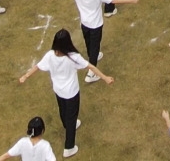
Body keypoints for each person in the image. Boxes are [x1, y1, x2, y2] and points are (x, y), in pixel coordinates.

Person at [18, 27, 111, 157]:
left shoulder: (50, 55)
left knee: (63, 109)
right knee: (72, 116)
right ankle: (69, 147)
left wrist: (25, 76)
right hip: (71, 92)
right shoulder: (73, 57)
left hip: (58, 90)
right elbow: (90, 66)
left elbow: (37, 66)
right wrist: (105, 78)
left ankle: (67, 125)